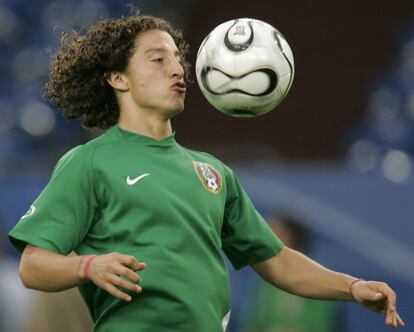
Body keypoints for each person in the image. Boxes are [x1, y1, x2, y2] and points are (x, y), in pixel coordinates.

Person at [8, 13, 405, 332]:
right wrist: (87, 266)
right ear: (117, 78)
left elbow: (278, 261)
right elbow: (33, 265)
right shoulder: (90, 162)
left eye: (178, 60)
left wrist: (351, 287)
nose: (178, 70)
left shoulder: (213, 172)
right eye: (158, 59)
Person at [236, 214, 339, 332]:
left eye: (275, 234)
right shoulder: (264, 281)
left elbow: (318, 326)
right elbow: (251, 324)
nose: (265, 241)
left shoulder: (319, 280)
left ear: (293, 239)